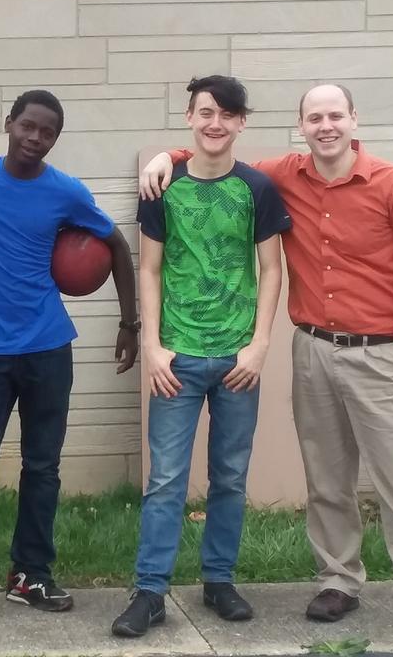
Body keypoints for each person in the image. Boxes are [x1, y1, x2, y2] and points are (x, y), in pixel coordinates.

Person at [140, 83, 393, 630]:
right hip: (313, 348)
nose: (326, 126)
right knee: (326, 476)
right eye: (315, 117)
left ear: (354, 119)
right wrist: (167, 156)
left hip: (383, 352)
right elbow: (213, 152)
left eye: (335, 115)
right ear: (302, 127)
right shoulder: (283, 176)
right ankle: (339, 580)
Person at [0, 89, 140, 630]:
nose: (35, 139)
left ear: (54, 139)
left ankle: (30, 575)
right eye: (27, 127)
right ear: (9, 123)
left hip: (49, 348)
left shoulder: (67, 191)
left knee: (43, 467)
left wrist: (130, 324)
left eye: (47, 133)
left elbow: (119, 248)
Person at [112, 76, 290, 638]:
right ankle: (150, 591)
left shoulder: (256, 188)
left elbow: (270, 268)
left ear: (242, 123)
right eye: (206, 112)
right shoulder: (164, 186)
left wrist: (260, 344)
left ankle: (218, 581)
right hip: (177, 360)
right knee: (165, 480)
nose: (216, 123)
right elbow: (149, 268)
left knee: (230, 478)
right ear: (190, 116)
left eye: (228, 114)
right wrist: (152, 347)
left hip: (238, 359)